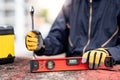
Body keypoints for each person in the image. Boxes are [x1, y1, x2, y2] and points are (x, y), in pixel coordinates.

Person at [25, 0, 120, 69]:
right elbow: (57, 38)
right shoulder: (70, 4)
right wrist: (41, 44)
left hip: (106, 69)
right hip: (72, 69)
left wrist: (109, 53)